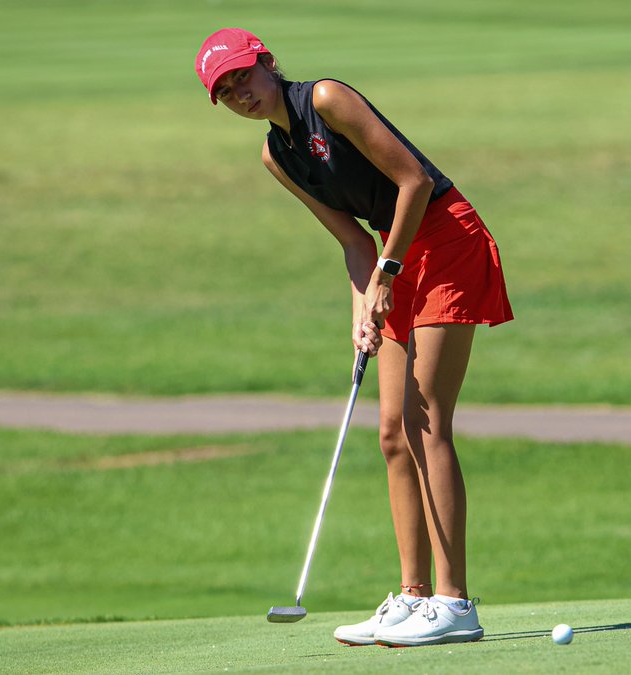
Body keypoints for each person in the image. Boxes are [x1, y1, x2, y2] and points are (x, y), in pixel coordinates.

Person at [196, 28, 513, 647]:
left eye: (244, 77)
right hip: (394, 256)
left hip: (445, 239)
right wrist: (361, 308)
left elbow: (414, 183)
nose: (241, 93)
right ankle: (413, 596)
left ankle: (455, 603)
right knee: (392, 432)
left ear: (267, 64)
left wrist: (386, 276)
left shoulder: (327, 99)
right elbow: (353, 241)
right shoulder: (275, 156)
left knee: (427, 422)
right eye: (226, 91)